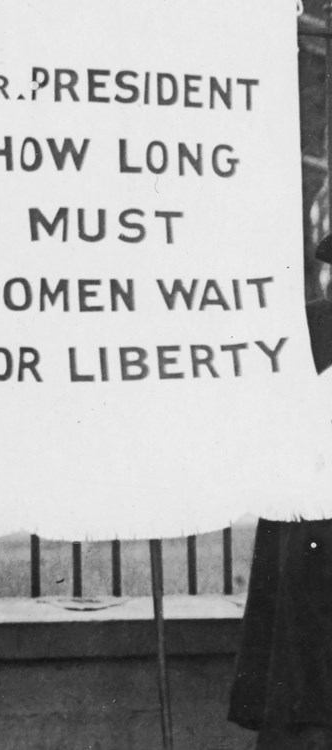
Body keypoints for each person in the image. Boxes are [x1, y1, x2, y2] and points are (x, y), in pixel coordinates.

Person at [228, 235, 332, 750]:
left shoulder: (304, 325)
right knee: (305, 678)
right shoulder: (308, 327)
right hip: (311, 520)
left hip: (305, 522)